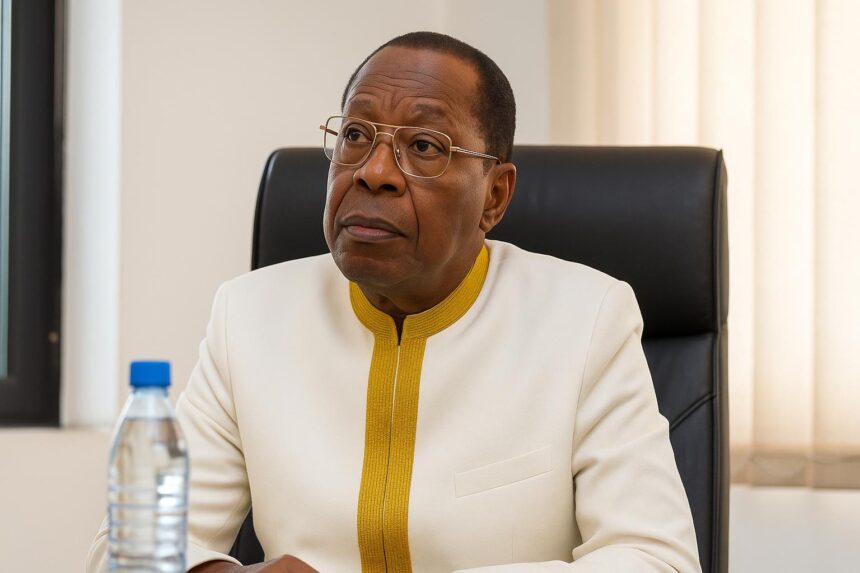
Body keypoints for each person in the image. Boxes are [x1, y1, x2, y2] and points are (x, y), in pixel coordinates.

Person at [87, 31, 701, 573]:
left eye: (425, 146)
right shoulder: (247, 319)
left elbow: (656, 559)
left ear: (494, 196)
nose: (374, 170)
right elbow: (129, 549)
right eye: (355, 136)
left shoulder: (586, 320)